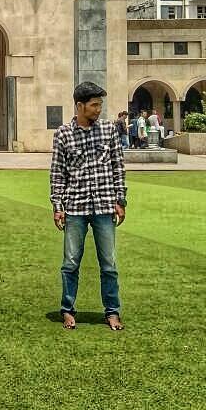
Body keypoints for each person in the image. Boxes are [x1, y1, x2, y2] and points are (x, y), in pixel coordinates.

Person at [50, 81, 127, 332]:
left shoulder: (108, 130)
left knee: (109, 264)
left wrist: (120, 200)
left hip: (105, 204)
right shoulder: (63, 133)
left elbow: (118, 166)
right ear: (80, 106)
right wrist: (57, 206)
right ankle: (68, 310)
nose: (98, 110)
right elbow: (57, 174)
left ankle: (112, 312)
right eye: (94, 105)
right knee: (70, 263)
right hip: (75, 207)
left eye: (100, 105)